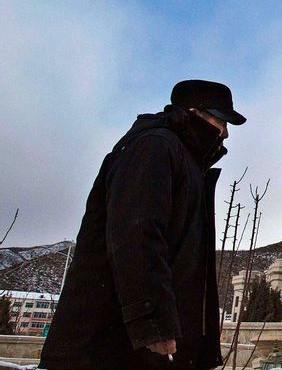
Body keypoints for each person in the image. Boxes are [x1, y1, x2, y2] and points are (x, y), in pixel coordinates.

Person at [40, 80, 246, 370]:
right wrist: (153, 325)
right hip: (112, 346)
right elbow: (136, 238)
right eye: (220, 120)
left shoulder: (188, 164)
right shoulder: (154, 147)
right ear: (192, 113)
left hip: (143, 347)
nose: (225, 132)